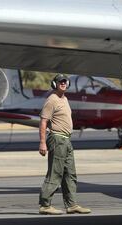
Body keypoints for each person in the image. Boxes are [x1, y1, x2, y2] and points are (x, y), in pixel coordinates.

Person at [38, 74, 91, 215]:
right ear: (54, 84)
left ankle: (71, 205)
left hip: (66, 140)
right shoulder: (52, 100)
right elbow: (43, 122)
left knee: (70, 174)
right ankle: (45, 205)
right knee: (55, 173)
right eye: (60, 82)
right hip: (57, 139)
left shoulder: (64, 99)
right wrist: (42, 143)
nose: (63, 83)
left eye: (65, 82)